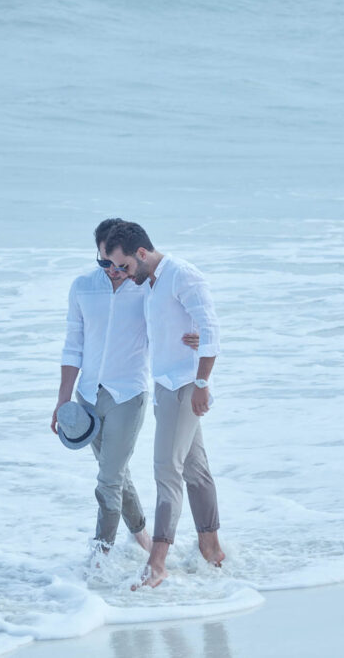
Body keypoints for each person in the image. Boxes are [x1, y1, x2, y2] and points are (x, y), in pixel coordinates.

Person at [51, 218, 198, 556]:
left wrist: (200, 338)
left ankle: (100, 556)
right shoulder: (82, 288)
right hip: (86, 397)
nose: (113, 270)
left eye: (117, 264)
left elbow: (173, 326)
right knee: (115, 472)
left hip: (128, 396)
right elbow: (72, 346)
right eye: (104, 263)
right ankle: (143, 538)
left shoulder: (146, 289)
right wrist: (62, 400)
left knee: (108, 480)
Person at [103, 221, 226, 589]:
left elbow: (213, 329)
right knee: (196, 470)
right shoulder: (150, 282)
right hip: (165, 385)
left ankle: (158, 563)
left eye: (123, 266)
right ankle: (212, 549)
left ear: (142, 253)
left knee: (165, 470)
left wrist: (202, 383)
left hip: (184, 386)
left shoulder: (182, 275)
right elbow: (186, 327)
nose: (120, 273)